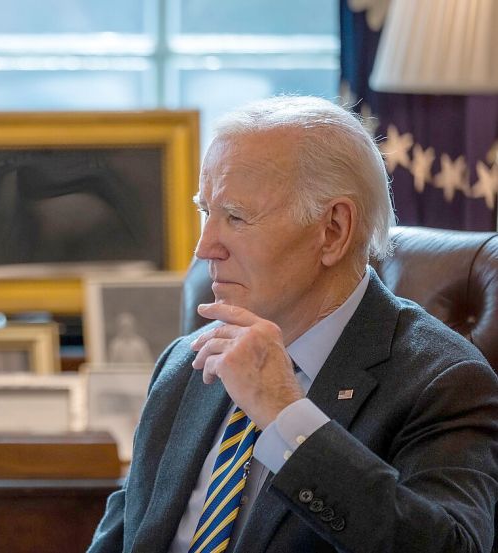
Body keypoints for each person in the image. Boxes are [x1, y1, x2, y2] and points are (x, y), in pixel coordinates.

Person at [88, 96, 498, 553]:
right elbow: (121, 537)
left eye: (236, 217)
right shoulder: (184, 362)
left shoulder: (445, 382)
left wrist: (286, 415)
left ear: (333, 231)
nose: (204, 248)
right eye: (207, 212)